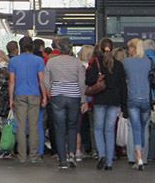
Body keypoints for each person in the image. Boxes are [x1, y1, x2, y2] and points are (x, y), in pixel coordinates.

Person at [43, 36, 87, 169]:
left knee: (59, 128)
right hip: (74, 97)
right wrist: (83, 100)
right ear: (71, 48)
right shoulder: (77, 63)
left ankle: (62, 159)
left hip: (57, 97)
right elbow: (81, 83)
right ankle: (72, 154)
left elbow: (45, 81)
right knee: (73, 127)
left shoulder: (51, 63)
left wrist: (53, 90)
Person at [87, 38, 128, 170]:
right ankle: (109, 162)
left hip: (100, 99)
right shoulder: (119, 65)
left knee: (98, 129)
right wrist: (124, 105)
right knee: (109, 130)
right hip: (114, 100)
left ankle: (102, 154)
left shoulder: (96, 63)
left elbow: (88, 80)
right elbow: (123, 87)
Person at [8, 37, 46, 163]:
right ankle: (34, 156)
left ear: (20, 47)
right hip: (34, 95)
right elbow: (41, 81)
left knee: (20, 126)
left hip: (19, 95)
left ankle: (22, 156)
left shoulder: (14, 61)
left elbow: (11, 82)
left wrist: (10, 99)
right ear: (32, 47)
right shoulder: (39, 60)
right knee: (34, 126)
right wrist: (44, 96)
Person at [124, 38, 155, 170]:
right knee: (144, 128)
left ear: (133, 48)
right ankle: (144, 156)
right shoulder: (149, 62)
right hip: (146, 99)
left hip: (132, 98)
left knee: (135, 128)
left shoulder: (126, 62)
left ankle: (138, 158)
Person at [76, 44, 96, 160]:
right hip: (88, 99)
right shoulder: (89, 67)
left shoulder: (77, 65)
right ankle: (87, 148)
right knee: (88, 126)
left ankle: (80, 148)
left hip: (79, 98)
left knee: (80, 125)